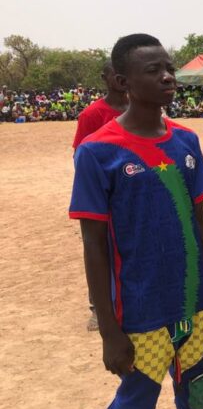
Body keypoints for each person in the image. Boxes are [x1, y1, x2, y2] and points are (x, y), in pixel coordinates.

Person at [69, 34, 203, 409]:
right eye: (153, 70)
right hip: (139, 313)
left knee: (198, 398)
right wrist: (108, 329)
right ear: (123, 81)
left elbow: (201, 221)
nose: (167, 76)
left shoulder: (186, 141)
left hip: (192, 303)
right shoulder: (96, 152)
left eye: (169, 68)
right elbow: (94, 245)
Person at [71, 60, 129, 331]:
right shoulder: (92, 115)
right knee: (99, 247)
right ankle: (98, 306)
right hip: (105, 194)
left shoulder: (138, 109)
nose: (118, 79)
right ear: (105, 78)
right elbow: (80, 157)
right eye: (112, 75)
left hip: (134, 191)